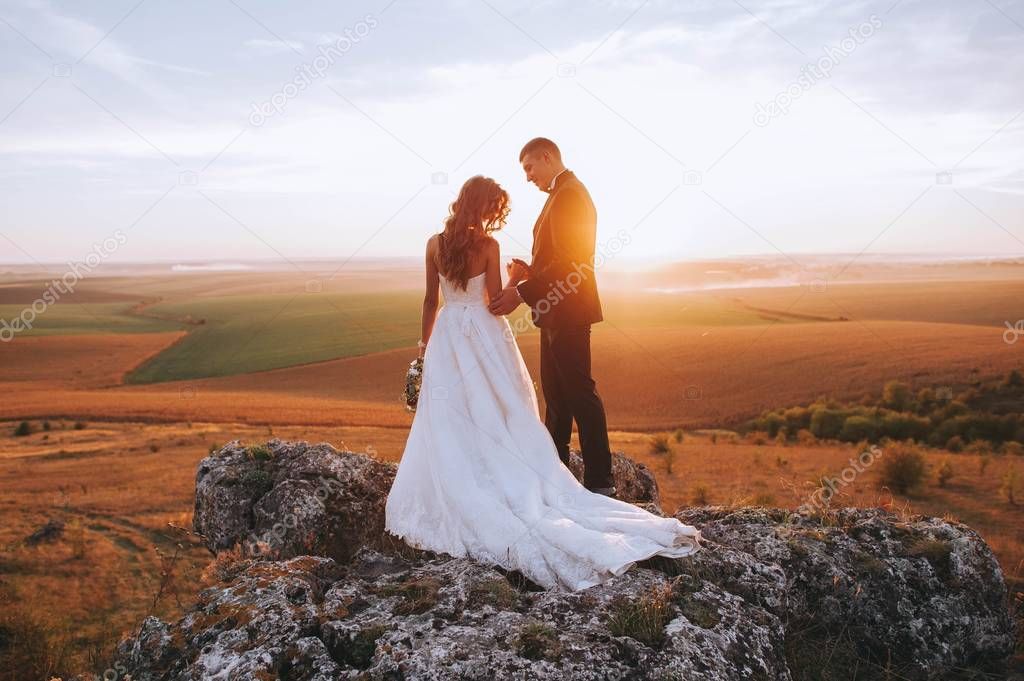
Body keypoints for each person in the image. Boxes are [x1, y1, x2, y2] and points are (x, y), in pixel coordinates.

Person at [383, 173, 701, 592]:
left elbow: (430, 300)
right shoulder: (489, 247)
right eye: (494, 210)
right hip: (481, 333)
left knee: (450, 414)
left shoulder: (432, 244)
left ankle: (462, 479)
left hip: (446, 338)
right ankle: (506, 472)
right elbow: (496, 305)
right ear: (483, 208)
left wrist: (424, 348)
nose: (496, 219)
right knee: (499, 407)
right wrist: (516, 276)